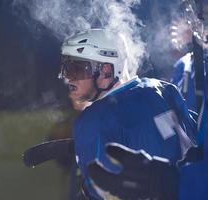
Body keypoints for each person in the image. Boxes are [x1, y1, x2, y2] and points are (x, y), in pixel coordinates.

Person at [58, 28, 198, 199]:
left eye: (77, 69)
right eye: (66, 68)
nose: (68, 77)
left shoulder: (94, 119)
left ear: (106, 71)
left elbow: (100, 191)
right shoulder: (164, 88)